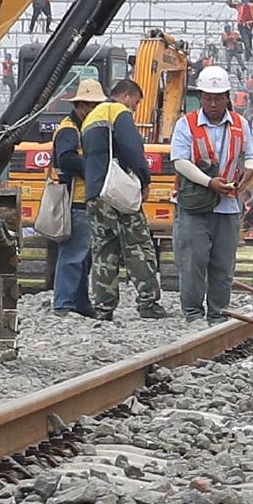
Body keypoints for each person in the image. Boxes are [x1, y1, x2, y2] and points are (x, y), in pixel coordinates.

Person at [170, 67, 253, 327]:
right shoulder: (186, 124)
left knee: (222, 264)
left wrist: (248, 172)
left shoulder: (241, 125)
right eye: (208, 98)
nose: (213, 103)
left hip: (228, 206)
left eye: (218, 98)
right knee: (193, 260)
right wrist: (209, 182)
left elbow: (250, 156)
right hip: (194, 205)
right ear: (201, 97)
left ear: (227, 97)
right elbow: (180, 161)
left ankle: (218, 313)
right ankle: (193, 313)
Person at [83, 78, 168, 322]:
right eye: (136, 103)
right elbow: (133, 149)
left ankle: (103, 308)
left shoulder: (91, 117)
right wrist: (144, 178)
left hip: (95, 193)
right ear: (127, 96)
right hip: (118, 192)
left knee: (103, 250)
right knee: (138, 245)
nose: (134, 108)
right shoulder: (118, 111)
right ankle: (148, 303)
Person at [48, 79, 107, 316]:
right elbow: (66, 159)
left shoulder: (79, 127)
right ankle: (64, 303)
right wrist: (96, 167)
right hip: (76, 199)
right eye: (91, 106)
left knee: (83, 256)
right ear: (81, 106)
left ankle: (80, 303)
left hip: (84, 198)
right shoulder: (69, 130)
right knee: (73, 255)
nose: (95, 110)